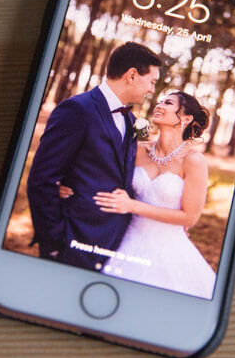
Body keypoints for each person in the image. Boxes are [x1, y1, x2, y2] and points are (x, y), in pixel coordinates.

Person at [61, 91, 217, 299]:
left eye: (168, 103)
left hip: (168, 249)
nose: (159, 105)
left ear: (187, 118)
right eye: (160, 101)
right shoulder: (138, 149)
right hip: (123, 238)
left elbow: (190, 217)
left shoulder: (193, 160)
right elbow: (101, 171)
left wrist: (133, 206)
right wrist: (66, 183)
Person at [26, 42, 162, 270]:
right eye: (152, 82)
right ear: (132, 75)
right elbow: (41, 180)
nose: (151, 89)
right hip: (72, 239)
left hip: (113, 244)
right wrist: (55, 239)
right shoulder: (77, 110)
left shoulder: (132, 121)